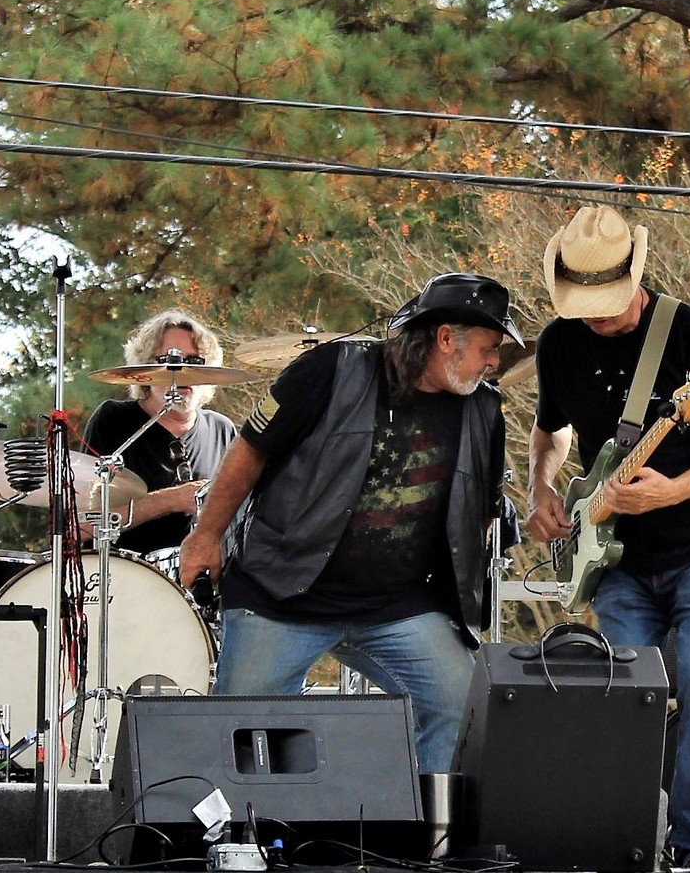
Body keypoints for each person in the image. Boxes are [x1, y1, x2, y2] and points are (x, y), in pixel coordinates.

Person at [178, 273, 519, 773]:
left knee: (463, 704)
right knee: (240, 733)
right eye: (489, 348)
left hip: (395, 604)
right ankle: (238, 845)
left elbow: (482, 511)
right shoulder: (330, 370)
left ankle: (430, 842)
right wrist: (205, 536)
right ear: (446, 338)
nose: (494, 362)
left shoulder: (484, 411)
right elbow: (248, 450)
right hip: (282, 590)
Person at [525, 207, 690, 868]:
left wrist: (673, 489)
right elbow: (550, 434)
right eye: (584, 304)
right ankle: (626, 843)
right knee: (626, 697)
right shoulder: (558, 343)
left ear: (635, 275)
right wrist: (540, 490)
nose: (596, 317)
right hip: (619, 561)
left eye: (606, 302)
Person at [81, 310, 236, 562]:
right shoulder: (114, 421)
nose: (182, 370)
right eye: (170, 360)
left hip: (205, 587)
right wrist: (170, 500)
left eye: (195, 361)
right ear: (145, 369)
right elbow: (78, 528)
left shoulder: (222, 429)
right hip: (124, 583)